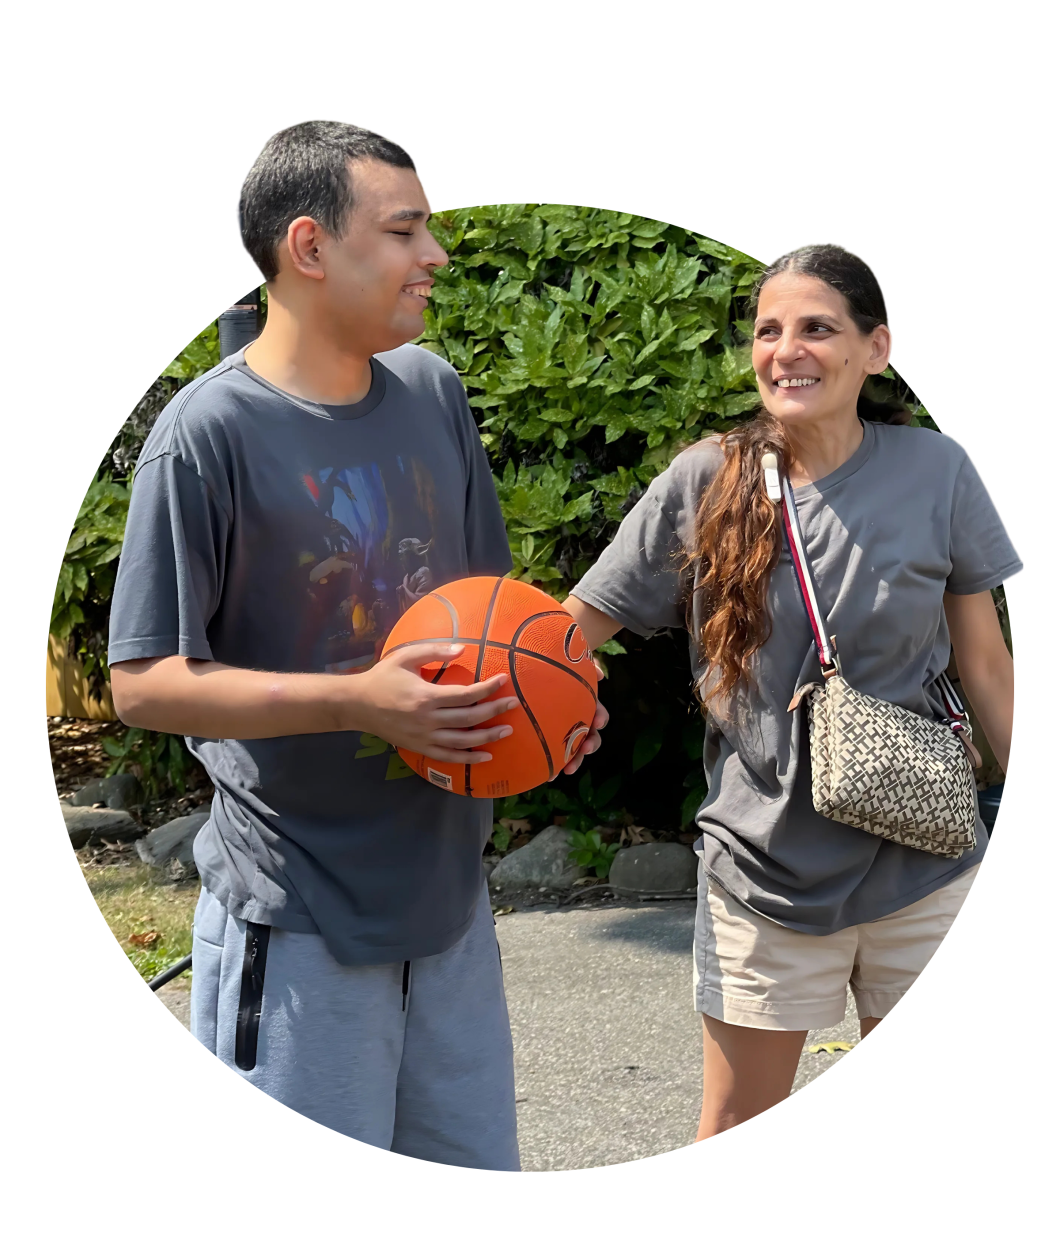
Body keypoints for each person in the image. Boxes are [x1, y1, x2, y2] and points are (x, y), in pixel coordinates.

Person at [106, 120, 606, 1169]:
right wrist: (361, 700)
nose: (437, 254)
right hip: (299, 919)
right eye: (405, 228)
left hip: (450, 904)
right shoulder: (205, 436)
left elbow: (490, 616)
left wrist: (554, 703)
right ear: (310, 247)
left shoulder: (434, 392)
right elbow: (144, 684)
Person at [562, 242, 1019, 1138]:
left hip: (927, 858)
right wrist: (515, 705)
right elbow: (571, 633)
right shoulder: (709, 477)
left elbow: (989, 664)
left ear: (875, 349)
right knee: (735, 1115)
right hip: (765, 872)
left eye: (817, 327)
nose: (786, 349)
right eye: (769, 331)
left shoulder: (940, 470)